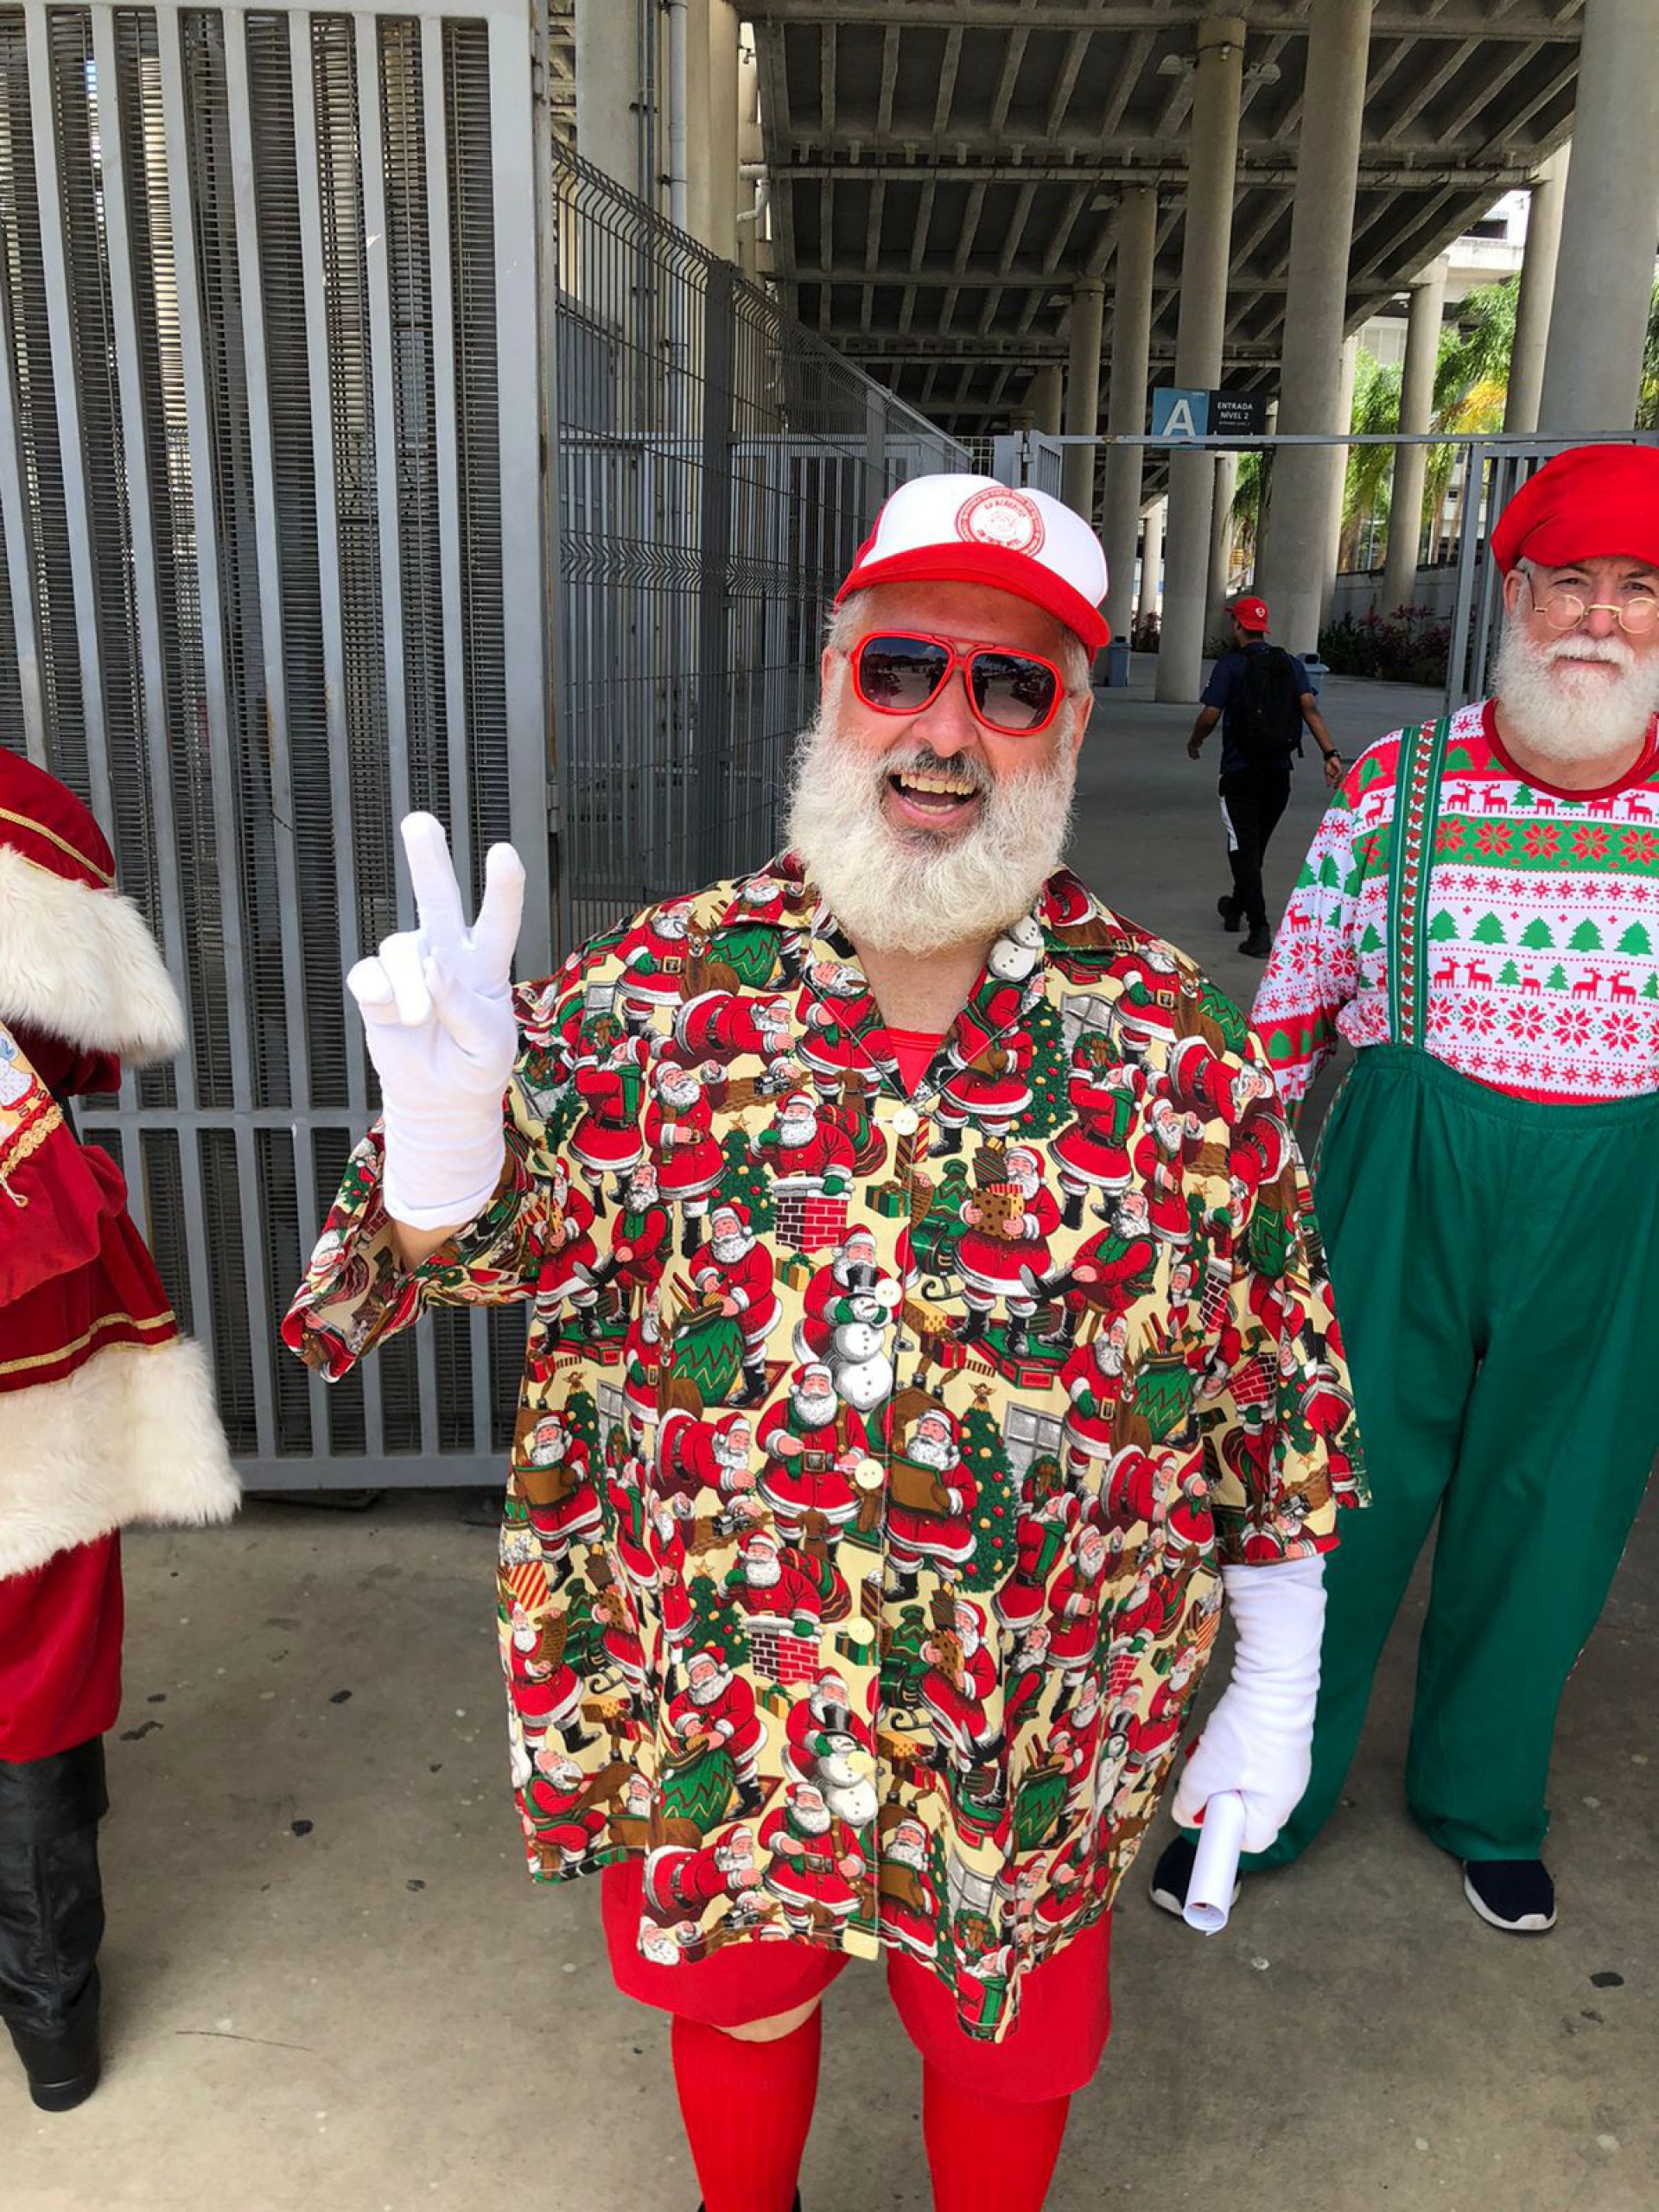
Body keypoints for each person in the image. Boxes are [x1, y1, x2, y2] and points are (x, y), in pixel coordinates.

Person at [284, 474, 1360, 2211]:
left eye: (1011, 685)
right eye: (904, 667)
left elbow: (1274, 1391)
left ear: (1070, 721)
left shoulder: (1177, 1048)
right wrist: (444, 1141)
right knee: (740, 1990)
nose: (948, 727)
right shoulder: (655, 995)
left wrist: (1282, 1673)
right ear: (833, 674)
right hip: (731, 1669)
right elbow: (443, 1261)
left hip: (1038, 1701)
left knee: (1006, 2032)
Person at [1151, 442, 1659, 1942]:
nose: (1600, 617)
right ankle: (1267, 1790)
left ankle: (1486, 1797)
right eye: (1571, 579)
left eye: (1639, 590)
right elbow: (1291, 1007)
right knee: (1334, 1503)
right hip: (1399, 1185)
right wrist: (1224, 1209)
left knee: (1553, 1509)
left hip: (1613, 1213)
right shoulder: (1397, 784)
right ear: (1516, 591)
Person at [0, 754, 238, 2110]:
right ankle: (54, 2039)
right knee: (36, 1669)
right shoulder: (27, 816)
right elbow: (98, 1040)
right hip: (27, 1312)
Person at [1185, 594, 1343, 957]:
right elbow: (1310, 709)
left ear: (1238, 626)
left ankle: (1259, 928)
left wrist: (1195, 741)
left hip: (1241, 773)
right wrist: (1330, 753)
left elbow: (1210, 715)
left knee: (1243, 850)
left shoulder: (1230, 666)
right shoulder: (1288, 663)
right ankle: (1235, 908)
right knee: (1254, 849)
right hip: (1278, 774)